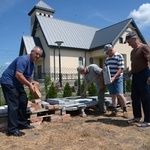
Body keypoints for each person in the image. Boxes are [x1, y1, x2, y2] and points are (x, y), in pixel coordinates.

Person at [0, 46, 43, 136]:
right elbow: (18, 75)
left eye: (39, 55)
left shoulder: (32, 63)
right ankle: (12, 129)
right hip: (8, 82)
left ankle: (22, 123)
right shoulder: (23, 60)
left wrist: (35, 84)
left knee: (23, 100)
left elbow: (28, 77)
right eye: (36, 53)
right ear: (31, 52)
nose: (38, 56)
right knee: (14, 104)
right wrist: (29, 85)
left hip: (17, 84)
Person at [124, 32, 150, 127]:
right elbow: (135, 64)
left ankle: (148, 120)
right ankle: (137, 117)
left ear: (135, 39)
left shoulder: (144, 47)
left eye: (129, 42)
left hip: (144, 74)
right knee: (134, 97)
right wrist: (130, 72)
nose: (128, 44)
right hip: (135, 75)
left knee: (146, 98)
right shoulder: (132, 51)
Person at [103, 44, 128, 118]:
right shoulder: (107, 58)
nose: (106, 53)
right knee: (113, 95)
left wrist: (114, 77)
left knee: (120, 94)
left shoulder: (119, 56)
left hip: (118, 78)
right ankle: (114, 110)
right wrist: (104, 67)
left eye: (107, 52)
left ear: (111, 50)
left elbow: (121, 69)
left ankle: (125, 110)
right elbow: (105, 65)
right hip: (110, 79)